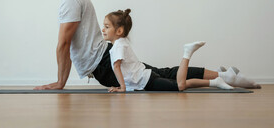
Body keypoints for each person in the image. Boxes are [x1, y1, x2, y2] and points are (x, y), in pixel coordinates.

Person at [34, 0, 260, 90]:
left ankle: (223, 77)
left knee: (167, 81)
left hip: (105, 64)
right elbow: (66, 46)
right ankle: (225, 75)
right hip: (105, 59)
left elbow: (63, 45)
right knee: (162, 73)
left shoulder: (71, 0)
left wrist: (59, 83)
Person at [102, 9, 261, 92]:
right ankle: (215, 81)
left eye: (107, 27)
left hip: (146, 80)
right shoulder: (120, 43)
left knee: (180, 85)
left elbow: (116, 67)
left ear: (119, 31)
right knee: (181, 84)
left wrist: (121, 88)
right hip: (144, 79)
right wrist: (125, 87)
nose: (103, 30)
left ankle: (188, 54)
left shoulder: (118, 46)